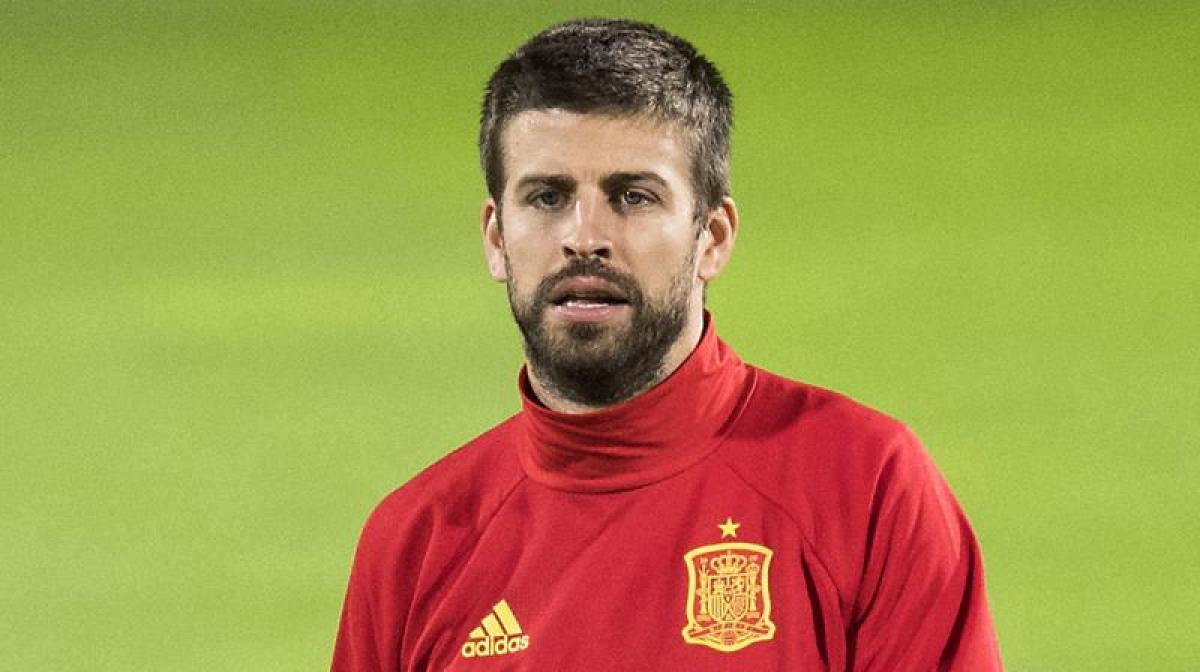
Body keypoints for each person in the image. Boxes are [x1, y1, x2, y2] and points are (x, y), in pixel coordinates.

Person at [332, 18, 1001, 671]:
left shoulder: (864, 486)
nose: (585, 238)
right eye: (547, 197)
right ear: (496, 238)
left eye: (633, 197)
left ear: (712, 238)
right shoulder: (414, 544)